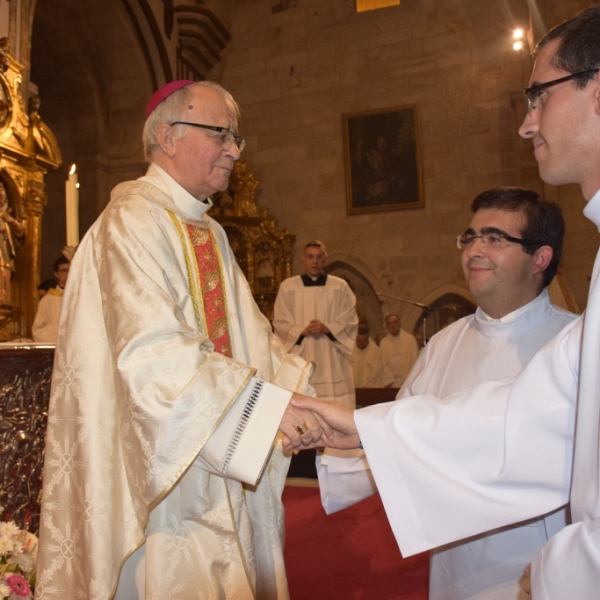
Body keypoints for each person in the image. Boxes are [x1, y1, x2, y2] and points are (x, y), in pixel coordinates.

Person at [289, 7, 600, 598]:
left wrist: (562, 568)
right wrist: (358, 428)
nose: (526, 125)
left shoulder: (567, 329)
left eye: (539, 97)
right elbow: (529, 420)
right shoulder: (450, 341)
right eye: (471, 237)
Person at [34, 80, 326, 600]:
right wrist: (261, 410)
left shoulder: (208, 230)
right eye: (221, 133)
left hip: (221, 453)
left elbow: (252, 338)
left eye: (237, 137)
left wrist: (295, 401)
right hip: (165, 474)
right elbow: (151, 357)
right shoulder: (129, 222)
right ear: (167, 136)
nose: (235, 149)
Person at [404, 188, 574, 599]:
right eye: (470, 237)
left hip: (540, 559)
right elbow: (402, 435)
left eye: (494, 238)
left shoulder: (575, 342)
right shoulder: (442, 344)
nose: (474, 250)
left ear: (540, 258)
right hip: (454, 562)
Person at [273, 240, 358, 408]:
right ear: (303, 259)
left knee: (335, 407)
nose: (314, 261)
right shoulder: (288, 287)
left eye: (319, 257)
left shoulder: (339, 286)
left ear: (325, 259)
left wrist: (328, 328)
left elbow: (350, 317)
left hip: (331, 355)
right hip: (302, 353)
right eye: (310, 257)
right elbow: (280, 320)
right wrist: (300, 331)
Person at [31, 256, 70, 343]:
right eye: (63, 271)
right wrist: (61, 332)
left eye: (70, 270)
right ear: (56, 274)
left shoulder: (81, 298)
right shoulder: (47, 300)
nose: (68, 274)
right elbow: (37, 331)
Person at [0, 181, 24, 308]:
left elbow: (20, 235)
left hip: (5, 252)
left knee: (5, 272)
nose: (0, 193)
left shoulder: (7, 215)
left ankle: (4, 300)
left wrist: (11, 220)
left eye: (2, 189)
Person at [378, 313, 419, 387]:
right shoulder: (383, 342)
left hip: (407, 380)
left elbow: (414, 360)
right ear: (387, 326)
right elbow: (383, 363)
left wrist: (411, 380)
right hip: (391, 381)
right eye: (390, 323)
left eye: (395, 322)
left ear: (399, 323)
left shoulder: (410, 339)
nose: (393, 326)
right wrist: (388, 381)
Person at [351, 322, 394, 388]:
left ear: (368, 338)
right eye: (359, 341)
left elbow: (385, 372)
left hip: (372, 391)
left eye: (363, 341)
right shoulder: (350, 351)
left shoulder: (376, 351)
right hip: (354, 390)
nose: (361, 343)